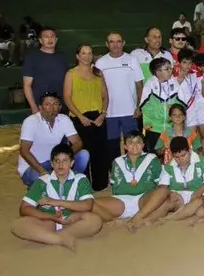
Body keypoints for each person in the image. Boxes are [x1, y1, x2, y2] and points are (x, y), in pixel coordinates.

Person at [11, 145, 103, 251]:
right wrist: (49, 217)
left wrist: (56, 202)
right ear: (51, 164)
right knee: (17, 225)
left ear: (72, 163)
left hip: (72, 221)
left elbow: (87, 205)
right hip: (48, 222)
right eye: (57, 161)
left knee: (95, 220)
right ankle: (59, 239)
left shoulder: (80, 179)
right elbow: (24, 208)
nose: (60, 165)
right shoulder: (42, 181)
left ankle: (53, 236)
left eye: (65, 161)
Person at [92, 129, 168, 230]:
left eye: (138, 142)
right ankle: (114, 220)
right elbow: (114, 187)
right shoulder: (117, 161)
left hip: (144, 200)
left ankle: (135, 219)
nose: (135, 145)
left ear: (143, 145)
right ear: (125, 146)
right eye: (131, 142)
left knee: (164, 191)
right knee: (89, 203)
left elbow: (159, 182)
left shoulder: (152, 158)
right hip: (121, 201)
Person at [62, 44, 110, 190]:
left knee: (99, 152)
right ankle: (83, 186)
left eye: (89, 53)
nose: (87, 56)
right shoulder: (71, 74)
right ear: (77, 56)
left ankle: (100, 184)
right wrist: (80, 116)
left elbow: (105, 96)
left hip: (97, 118)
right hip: (79, 118)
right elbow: (67, 98)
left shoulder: (98, 74)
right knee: (83, 152)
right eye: (83, 53)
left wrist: (103, 114)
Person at [17, 92, 90, 186]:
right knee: (40, 178)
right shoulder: (31, 121)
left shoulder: (64, 119)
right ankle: (45, 187)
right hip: (32, 166)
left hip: (54, 162)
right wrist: (43, 172)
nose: (51, 107)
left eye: (55, 104)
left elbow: (78, 143)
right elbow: (24, 151)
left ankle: (69, 184)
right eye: (47, 104)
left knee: (83, 155)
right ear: (40, 107)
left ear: (59, 107)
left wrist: (63, 157)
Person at [95, 32, 144, 167]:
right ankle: (116, 175)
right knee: (112, 149)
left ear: (123, 43)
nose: (115, 44)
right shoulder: (100, 63)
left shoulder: (132, 60)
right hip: (110, 114)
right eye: (112, 41)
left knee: (134, 146)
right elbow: (98, 88)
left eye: (118, 41)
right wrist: (103, 111)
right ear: (107, 44)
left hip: (130, 113)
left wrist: (138, 107)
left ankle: (136, 172)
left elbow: (139, 85)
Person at [22, 27, 69, 114]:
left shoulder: (62, 57)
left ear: (56, 39)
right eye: (46, 37)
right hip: (40, 107)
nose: (50, 39)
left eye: (52, 36)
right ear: (40, 40)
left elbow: (67, 83)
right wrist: (34, 107)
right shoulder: (32, 57)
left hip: (60, 107)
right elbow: (27, 85)